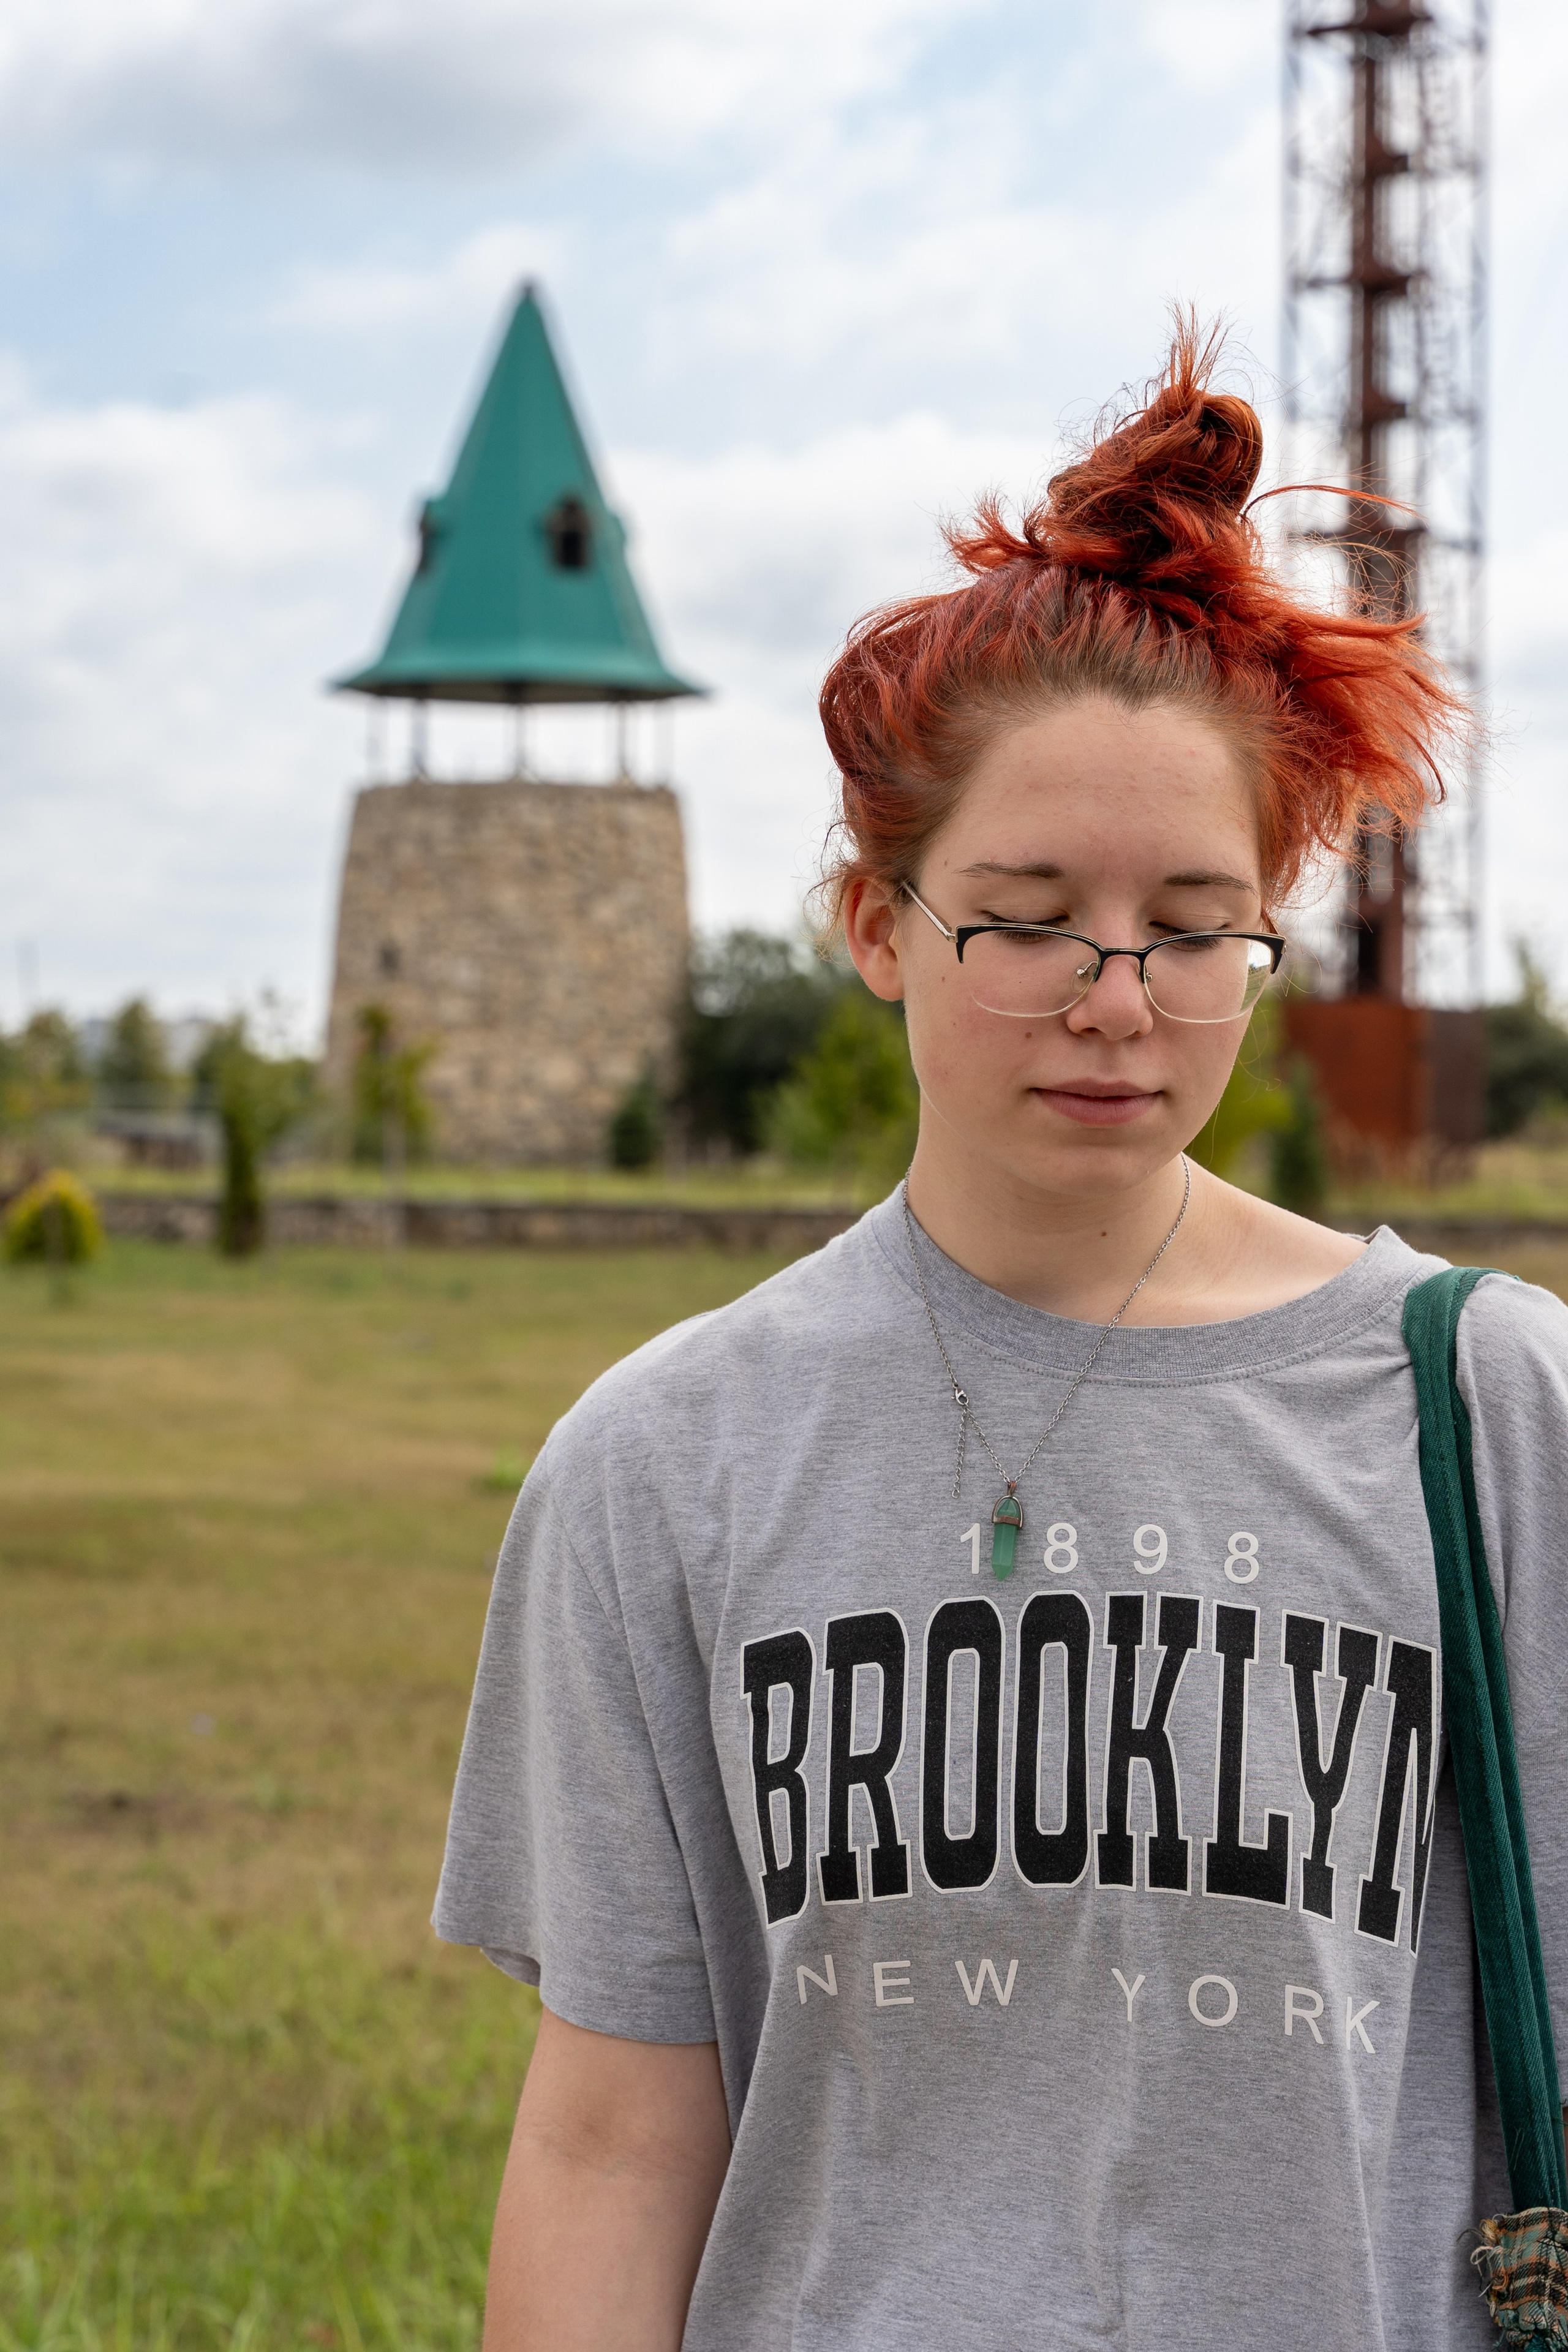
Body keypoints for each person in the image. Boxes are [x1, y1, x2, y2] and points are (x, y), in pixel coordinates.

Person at [434, 323, 1568, 2351]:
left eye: (1191, 925)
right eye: (1027, 916)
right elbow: (614, 2141)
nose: (1115, 999)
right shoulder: (664, 1463)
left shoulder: (1490, 1412)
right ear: (877, 924)